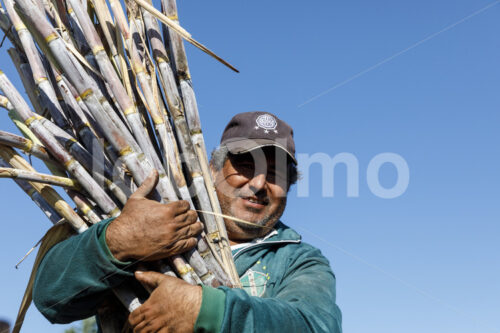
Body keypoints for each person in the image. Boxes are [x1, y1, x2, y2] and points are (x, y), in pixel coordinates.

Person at [33, 111, 343, 332]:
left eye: (275, 174)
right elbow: (51, 299)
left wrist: (207, 309)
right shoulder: (157, 222)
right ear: (212, 170)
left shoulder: (298, 260)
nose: (259, 184)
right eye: (246, 165)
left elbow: (315, 325)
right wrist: (117, 242)